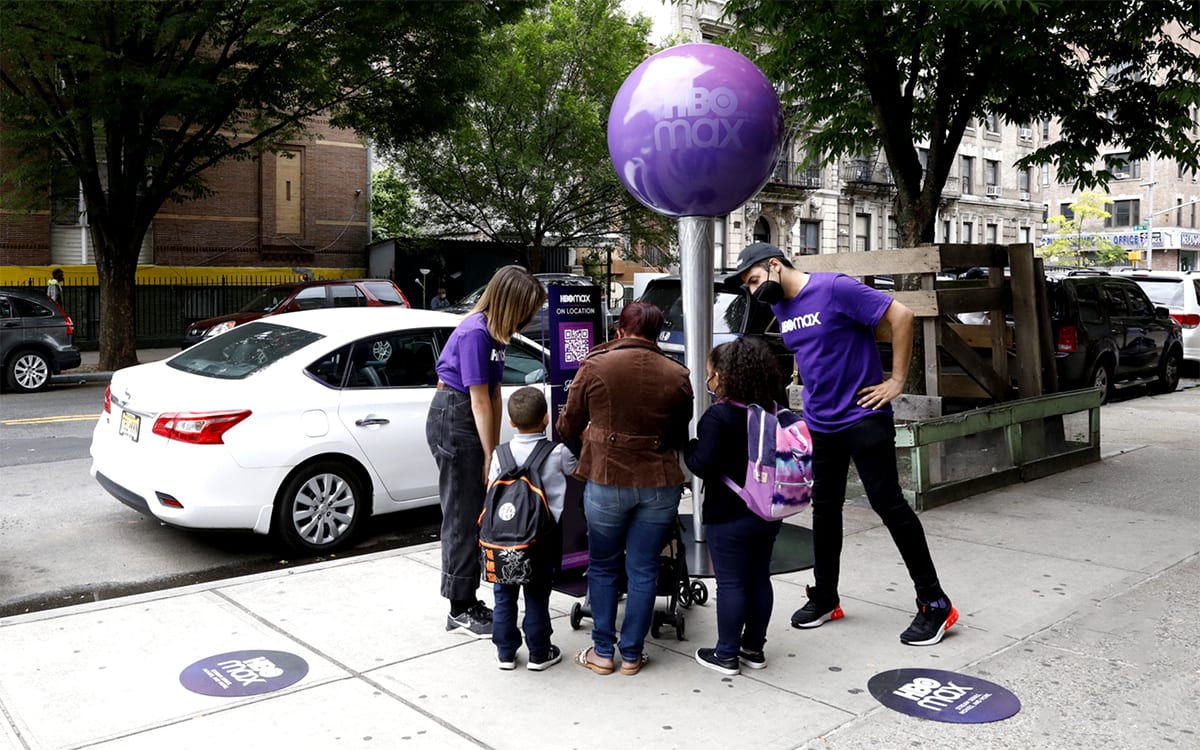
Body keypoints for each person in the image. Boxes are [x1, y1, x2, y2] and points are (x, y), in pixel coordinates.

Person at [731, 242, 958, 646]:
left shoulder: (834, 288)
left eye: (753, 280)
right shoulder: (781, 307)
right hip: (822, 422)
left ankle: (935, 603)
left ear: (773, 265)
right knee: (825, 509)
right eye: (747, 286)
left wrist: (896, 381)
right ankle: (825, 596)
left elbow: (901, 315)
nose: (752, 291)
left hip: (864, 415)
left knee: (888, 504)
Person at [557, 301, 694, 676]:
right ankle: (632, 655)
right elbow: (680, 434)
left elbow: (568, 425)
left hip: (606, 479)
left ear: (620, 330)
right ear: (656, 334)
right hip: (659, 483)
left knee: (602, 566)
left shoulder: (596, 365)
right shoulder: (677, 374)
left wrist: (591, 444)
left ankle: (603, 653)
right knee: (644, 568)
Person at [426, 265, 546, 638]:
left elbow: (494, 396)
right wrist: (489, 455)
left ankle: (467, 598)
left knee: (477, 511)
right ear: (511, 303)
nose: (529, 317)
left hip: (468, 416)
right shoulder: (476, 333)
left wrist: (493, 456)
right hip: (456, 415)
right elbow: (479, 400)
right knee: (462, 516)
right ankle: (459, 608)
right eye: (527, 308)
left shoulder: (495, 335)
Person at [685, 337, 786, 675]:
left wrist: (690, 446)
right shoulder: (773, 411)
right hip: (769, 511)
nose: (709, 382)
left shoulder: (719, 416)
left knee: (731, 583)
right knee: (759, 577)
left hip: (728, 513)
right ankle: (754, 648)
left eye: (711, 375)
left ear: (726, 377)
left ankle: (726, 653)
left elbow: (702, 465)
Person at [487, 386, 578, 671]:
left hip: (501, 540)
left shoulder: (499, 454)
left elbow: (491, 488)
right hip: (541, 540)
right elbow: (577, 470)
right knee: (537, 594)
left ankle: (505, 652)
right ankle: (539, 652)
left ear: (511, 422)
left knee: (503, 595)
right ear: (546, 419)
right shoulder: (557, 452)